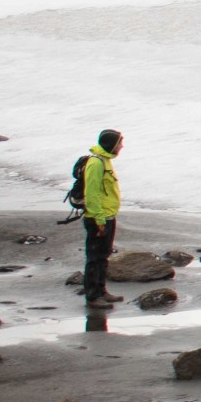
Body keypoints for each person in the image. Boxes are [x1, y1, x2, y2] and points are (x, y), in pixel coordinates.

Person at [79, 129, 123, 309]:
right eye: (119, 143)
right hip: (98, 218)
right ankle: (92, 296)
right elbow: (91, 193)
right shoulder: (96, 163)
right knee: (95, 257)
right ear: (111, 145)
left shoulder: (105, 160)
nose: (121, 146)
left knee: (103, 256)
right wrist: (99, 219)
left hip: (107, 216)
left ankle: (101, 290)